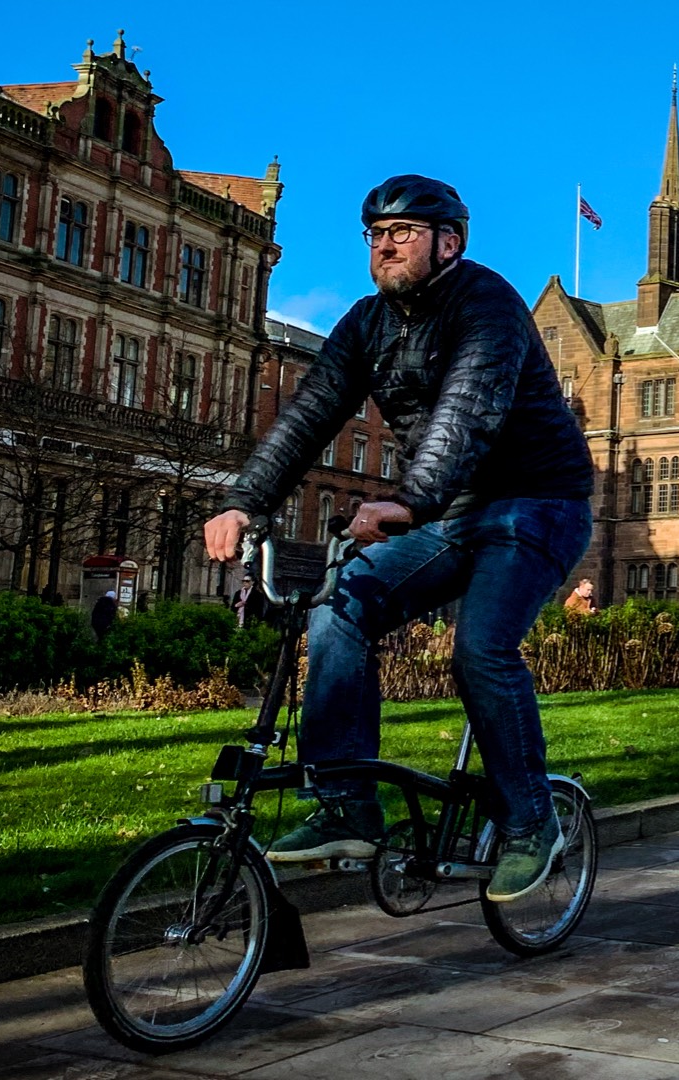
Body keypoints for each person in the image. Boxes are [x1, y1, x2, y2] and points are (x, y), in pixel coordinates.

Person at [201, 175, 594, 902]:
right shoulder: (365, 324)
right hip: (448, 512)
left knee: (481, 647)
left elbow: (466, 413)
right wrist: (243, 502)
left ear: (450, 242)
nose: (384, 244)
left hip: (536, 505)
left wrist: (408, 500)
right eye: (374, 234)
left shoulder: (487, 306)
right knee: (338, 607)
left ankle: (530, 822)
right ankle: (348, 805)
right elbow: (308, 416)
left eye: (403, 232)